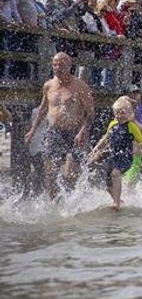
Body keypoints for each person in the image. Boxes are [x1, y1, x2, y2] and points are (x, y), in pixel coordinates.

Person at [24, 52, 94, 199]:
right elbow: (43, 109)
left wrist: (82, 131)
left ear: (69, 66)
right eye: (55, 64)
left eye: (62, 65)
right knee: (50, 175)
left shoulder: (80, 86)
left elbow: (90, 113)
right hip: (54, 132)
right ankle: (53, 206)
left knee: (68, 176)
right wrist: (32, 130)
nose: (58, 68)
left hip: (75, 134)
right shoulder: (48, 85)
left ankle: (71, 203)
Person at [87, 97, 142, 211]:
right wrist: (97, 152)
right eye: (117, 112)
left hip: (134, 161)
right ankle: (119, 204)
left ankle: (126, 211)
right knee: (112, 183)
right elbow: (109, 140)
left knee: (127, 187)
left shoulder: (139, 128)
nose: (120, 115)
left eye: (124, 112)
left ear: (132, 113)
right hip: (117, 159)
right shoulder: (115, 125)